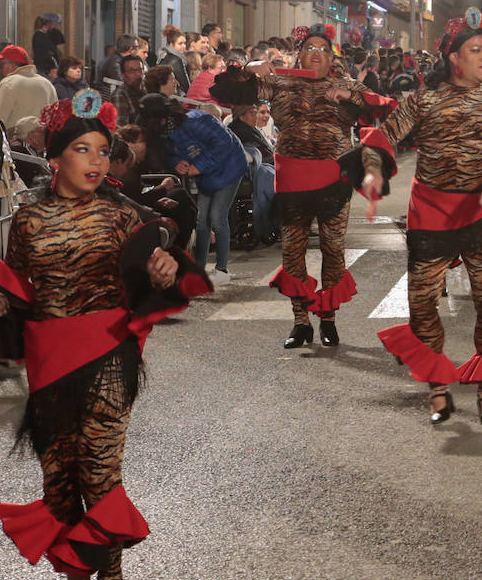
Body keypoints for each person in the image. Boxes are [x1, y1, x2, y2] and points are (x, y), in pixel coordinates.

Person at [0, 90, 209, 580]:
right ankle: (75, 575)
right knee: (59, 477)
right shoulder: (29, 219)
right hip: (48, 359)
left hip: (107, 352)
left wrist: (162, 271)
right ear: (56, 158)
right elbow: (19, 290)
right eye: (84, 150)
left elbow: (163, 250)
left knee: (100, 474)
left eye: (104, 151)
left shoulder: (121, 212)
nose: (98, 161)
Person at [353, 12, 482, 424]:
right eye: (475, 51)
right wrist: (373, 168)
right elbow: (381, 137)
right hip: (430, 216)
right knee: (422, 304)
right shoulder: (422, 101)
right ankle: (438, 387)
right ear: (453, 57)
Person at [210, 23, 389, 348]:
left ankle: (329, 319)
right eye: (310, 47)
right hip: (292, 181)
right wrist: (248, 68)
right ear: (300, 53)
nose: (316, 53)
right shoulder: (279, 82)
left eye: (323, 48)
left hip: (332, 181)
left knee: (334, 250)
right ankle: (301, 321)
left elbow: (380, 107)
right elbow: (225, 91)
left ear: (331, 54)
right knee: (293, 251)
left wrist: (351, 96)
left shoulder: (346, 85)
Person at [140, 93, 246, 285]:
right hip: (206, 174)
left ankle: (222, 269)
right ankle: (198, 269)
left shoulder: (196, 120)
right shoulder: (164, 133)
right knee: (202, 220)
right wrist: (177, 163)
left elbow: (224, 143)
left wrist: (200, 166)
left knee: (217, 217)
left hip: (230, 167)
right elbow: (169, 154)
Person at [229, 104, 278, 244]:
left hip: (264, 165)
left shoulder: (252, 129)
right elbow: (255, 153)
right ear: (242, 115)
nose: (255, 116)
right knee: (268, 176)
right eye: (252, 113)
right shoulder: (239, 130)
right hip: (249, 171)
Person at [0, 44, 58, 130]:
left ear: (12, 65)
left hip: (16, 140)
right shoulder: (47, 84)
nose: (0, 69)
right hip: (42, 140)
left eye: (2, 65)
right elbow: (55, 117)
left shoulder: (8, 83)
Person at [113, 54, 146, 126]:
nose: (137, 74)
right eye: (131, 71)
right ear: (123, 75)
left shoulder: (147, 90)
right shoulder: (120, 94)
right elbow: (121, 129)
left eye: (139, 70)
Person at [30, 13, 65, 78]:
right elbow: (48, 53)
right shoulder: (39, 36)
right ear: (49, 23)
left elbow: (62, 39)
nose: (54, 27)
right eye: (54, 24)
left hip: (47, 69)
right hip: (45, 69)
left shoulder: (46, 35)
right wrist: (53, 66)